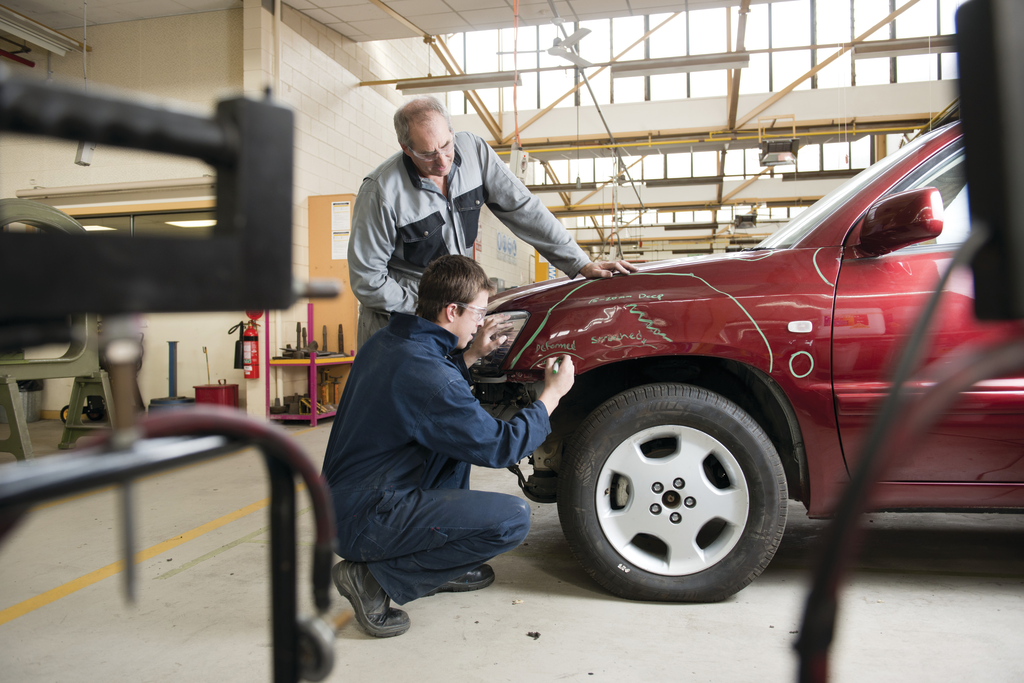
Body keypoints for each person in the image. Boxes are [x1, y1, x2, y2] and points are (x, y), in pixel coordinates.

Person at [322, 254, 576, 638]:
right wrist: (551, 397)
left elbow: (428, 394)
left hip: (346, 502)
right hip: (365, 518)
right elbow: (498, 447)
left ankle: (438, 565)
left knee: (454, 446)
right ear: (451, 310)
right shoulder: (428, 374)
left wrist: (471, 353)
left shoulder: (390, 341)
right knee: (511, 520)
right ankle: (374, 578)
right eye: (477, 313)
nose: (480, 321)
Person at [349, 95, 637, 348]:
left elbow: (524, 208)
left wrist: (579, 262)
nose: (442, 161)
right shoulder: (381, 192)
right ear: (406, 148)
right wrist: (429, 311)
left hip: (451, 317)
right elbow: (368, 280)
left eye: (446, 146)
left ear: (451, 130)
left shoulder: (474, 151)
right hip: (398, 326)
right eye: (427, 154)